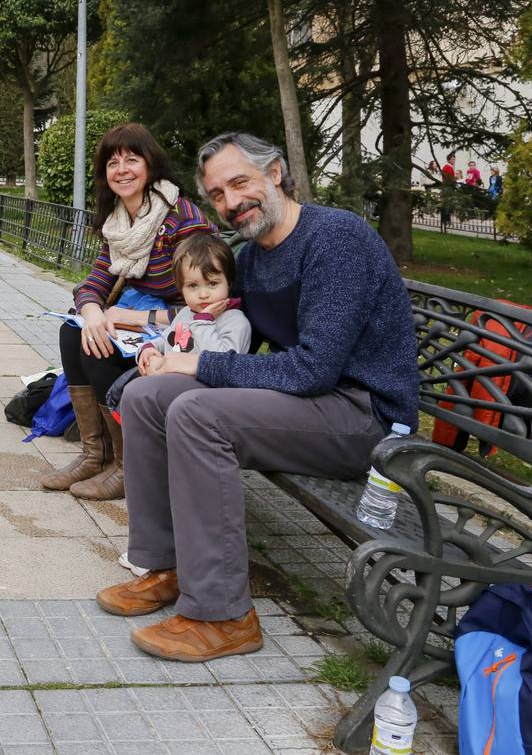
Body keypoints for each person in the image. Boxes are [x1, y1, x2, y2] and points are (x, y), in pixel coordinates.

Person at [96, 132, 418, 663]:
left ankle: (224, 614)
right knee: (148, 397)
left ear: (275, 175)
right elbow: (234, 336)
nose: (230, 202)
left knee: (199, 414)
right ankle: (167, 565)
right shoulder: (255, 254)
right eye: (217, 194)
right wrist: (170, 351)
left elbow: (313, 368)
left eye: (239, 182)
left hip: (366, 417)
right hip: (309, 405)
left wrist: (197, 365)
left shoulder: (335, 238)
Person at [42, 123, 214, 501]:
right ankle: (95, 454)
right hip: (149, 320)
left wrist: (130, 318)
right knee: (77, 332)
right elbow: (92, 285)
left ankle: (127, 466)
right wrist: (92, 313)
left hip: (188, 330)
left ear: (150, 165)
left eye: (131, 160)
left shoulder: (180, 220)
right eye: (112, 162)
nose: (121, 170)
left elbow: (206, 303)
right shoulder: (120, 222)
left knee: (103, 344)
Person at [135, 234, 252, 376]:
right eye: (193, 285)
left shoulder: (235, 322)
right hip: (169, 377)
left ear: (229, 282)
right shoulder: (186, 313)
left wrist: (204, 321)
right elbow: (168, 340)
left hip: (202, 389)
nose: (203, 294)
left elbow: (222, 365)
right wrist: (148, 348)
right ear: (181, 288)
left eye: (213, 283)